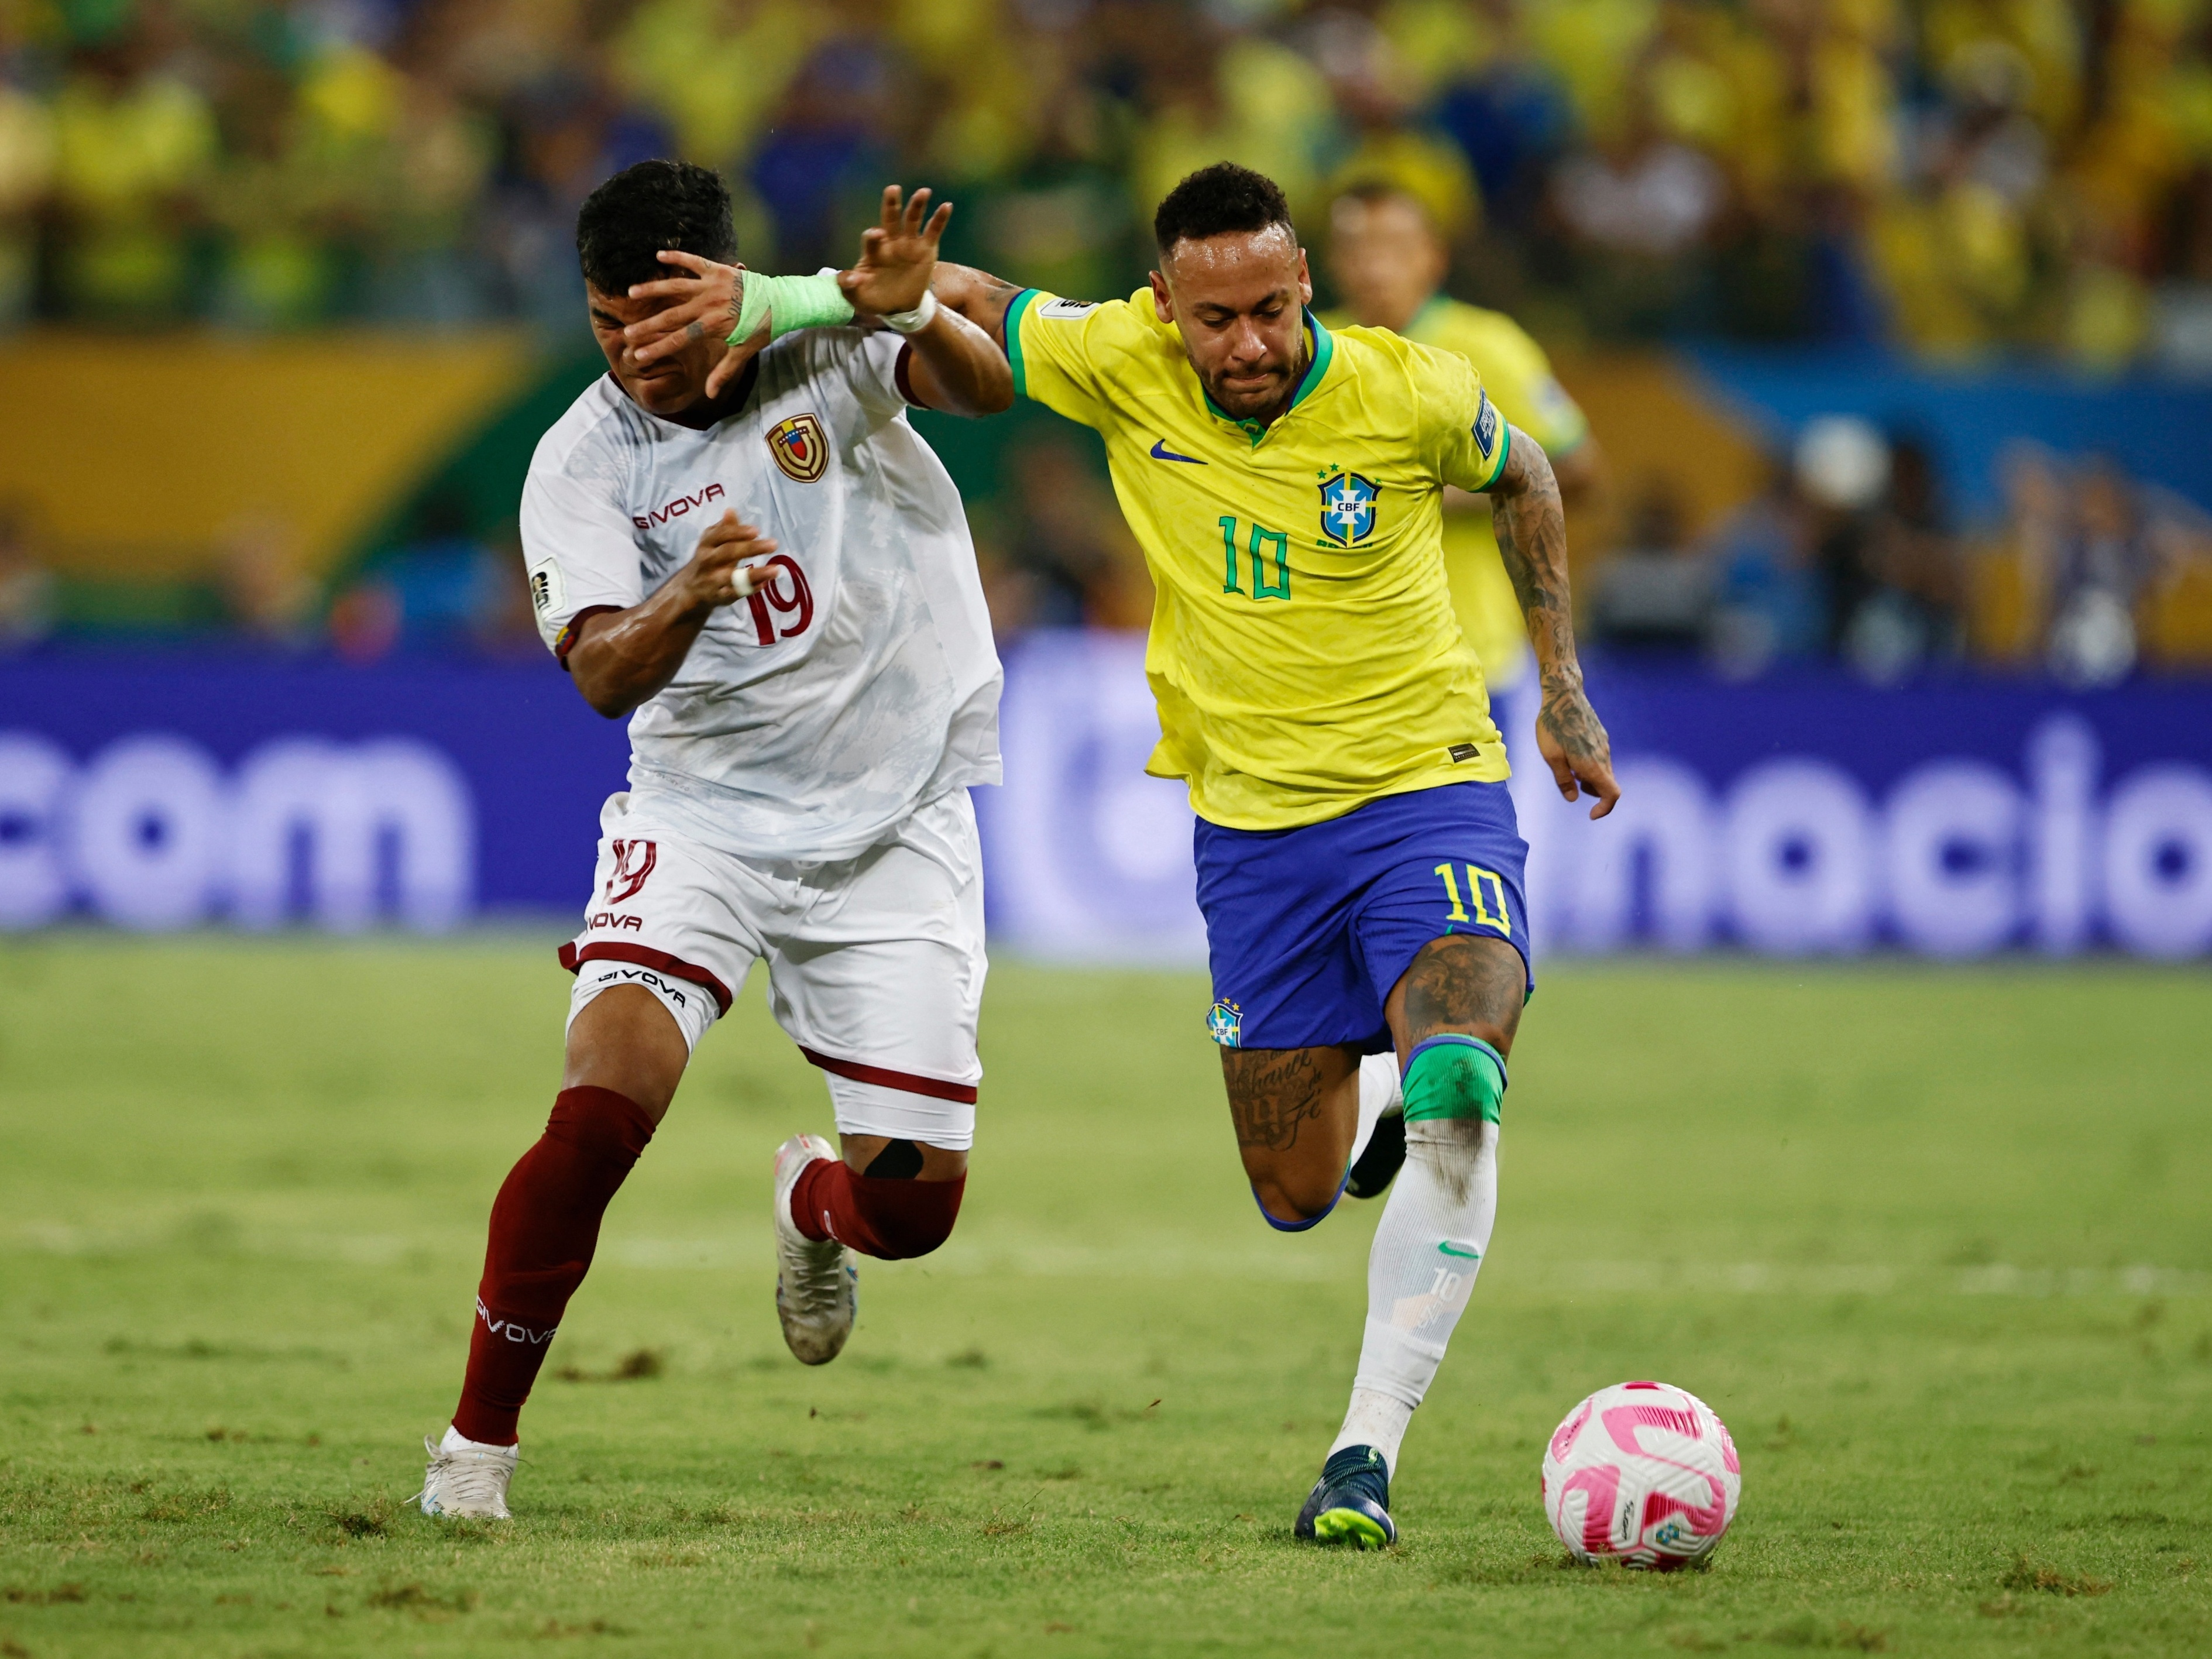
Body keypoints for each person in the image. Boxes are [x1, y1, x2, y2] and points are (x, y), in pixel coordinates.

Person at [936, 162, 1620, 1546]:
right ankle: (1366, 1118)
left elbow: (1535, 470)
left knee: (1459, 1075)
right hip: (1253, 831)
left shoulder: (1415, 382)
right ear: (1165, 307)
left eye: (1271, 308)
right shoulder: (1117, 358)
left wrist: (1559, 687)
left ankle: (1363, 1456)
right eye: (1217, 319)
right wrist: (781, 299)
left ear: (1305, 284)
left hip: (1430, 786)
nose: (1248, 343)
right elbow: (964, 296)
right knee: (1294, 1191)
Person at [417, 162, 1013, 1521]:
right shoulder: (579, 459)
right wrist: (684, 590)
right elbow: (605, 677)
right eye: (603, 321)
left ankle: (813, 1204)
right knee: (595, 1116)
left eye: (659, 320)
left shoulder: (830, 344)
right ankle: (473, 1456)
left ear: (722, 294)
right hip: (702, 820)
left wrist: (917, 318)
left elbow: (987, 390)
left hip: (895, 815)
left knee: (912, 1215)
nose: (631, 350)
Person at [1322, 180, 1605, 693]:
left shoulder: (1486, 348)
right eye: (1356, 249)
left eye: (1393, 248)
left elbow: (1579, 469)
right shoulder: (1308, 353)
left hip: (1465, 658)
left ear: (1433, 257)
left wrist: (1440, 493)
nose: (1373, 266)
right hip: (1339, 664)